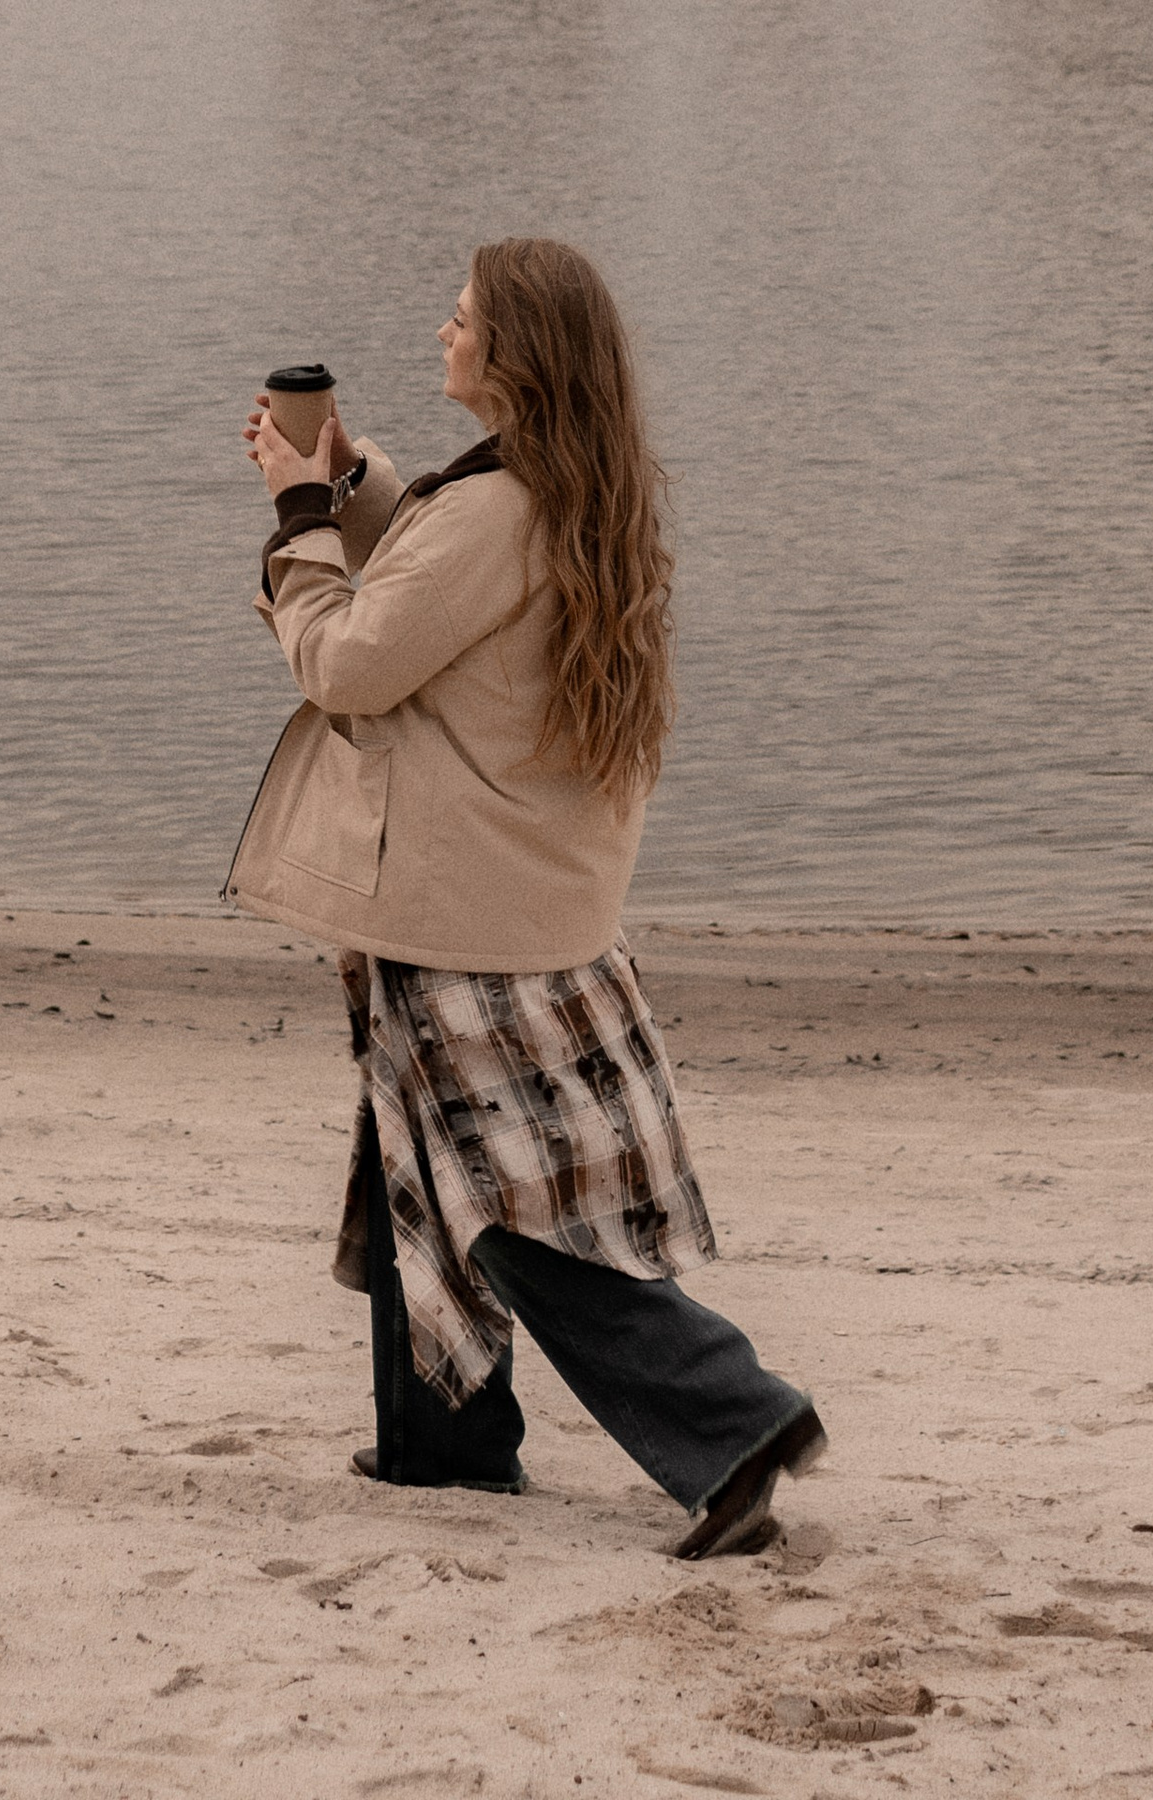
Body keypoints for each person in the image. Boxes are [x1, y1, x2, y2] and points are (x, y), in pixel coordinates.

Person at [225, 235, 824, 1558]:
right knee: (417, 1175)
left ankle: (732, 1421)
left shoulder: (500, 515)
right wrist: (346, 482)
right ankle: (439, 1450)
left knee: (500, 1214)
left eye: (460, 319)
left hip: (460, 917)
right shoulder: (564, 489)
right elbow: (443, 564)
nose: (442, 332)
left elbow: (349, 666)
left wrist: (297, 525)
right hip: (526, 903)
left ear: (512, 359)